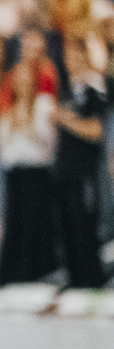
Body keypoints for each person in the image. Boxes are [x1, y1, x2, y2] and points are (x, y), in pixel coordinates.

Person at [0, 51, 60, 287]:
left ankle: (38, 274)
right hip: (16, 173)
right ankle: (13, 277)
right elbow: (4, 148)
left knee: (36, 223)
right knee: (15, 224)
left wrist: (28, 126)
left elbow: (50, 144)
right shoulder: (7, 110)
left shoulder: (44, 105)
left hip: (37, 172)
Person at [53, 34, 109, 288]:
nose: (72, 61)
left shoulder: (94, 91)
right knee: (67, 227)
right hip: (65, 171)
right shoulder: (68, 91)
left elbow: (97, 131)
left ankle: (90, 281)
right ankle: (74, 279)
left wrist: (65, 120)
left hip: (84, 172)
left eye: (77, 56)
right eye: (69, 56)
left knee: (84, 227)